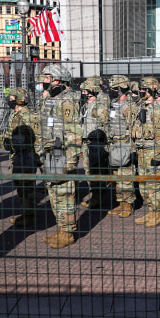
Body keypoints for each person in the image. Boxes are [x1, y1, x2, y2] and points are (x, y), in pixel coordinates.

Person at [37, 64, 82, 249]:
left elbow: (74, 132)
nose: (42, 82)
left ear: (56, 80)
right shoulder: (53, 99)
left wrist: (70, 161)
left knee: (64, 194)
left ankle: (68, 232)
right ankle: (62, 228)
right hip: (50, 153)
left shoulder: (68, 100)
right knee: (54, 193)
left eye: (46, 79)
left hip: (62, 153)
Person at [1, 87, 41, 227]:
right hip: (17, 156)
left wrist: (36, 158)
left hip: (27, 157)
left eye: (12, 97)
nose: (10, 100)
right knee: (21, 187)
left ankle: (29, 216)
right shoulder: (14, 115)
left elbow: (37, 138)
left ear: (19, 99)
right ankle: (25, 213)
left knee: (27, 187)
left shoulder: (29, 116)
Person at [131, 77, 160, 228]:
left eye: (143, 90)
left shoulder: (157, 109)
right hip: (141, 150)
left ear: (151, 90)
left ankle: (157, 213)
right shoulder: (141, 107)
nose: (141, 92)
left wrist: (158, 155)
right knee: (143, 184)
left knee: (154, 184)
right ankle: (151, 210)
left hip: (152, 151)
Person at [106, 75, 137, 217]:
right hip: (114, 144)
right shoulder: (115, 103)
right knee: (116, 177)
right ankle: (121, 202)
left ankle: (128, 205)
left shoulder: (129, 105)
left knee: (126, 177)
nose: (111, 91)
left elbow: (133, 128)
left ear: (121, 89)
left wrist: (131, 147)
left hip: (125, 144)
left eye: (113, 88)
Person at [79, 77, 110, 210]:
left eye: (86, 90)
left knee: (97, 171)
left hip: (97, 144)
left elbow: (106, 126)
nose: (84, 93)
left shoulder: (99, 106)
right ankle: (95, 195)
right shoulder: (87, 105)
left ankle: (98, 197)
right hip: (86, 143)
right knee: (89, 171)